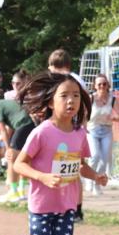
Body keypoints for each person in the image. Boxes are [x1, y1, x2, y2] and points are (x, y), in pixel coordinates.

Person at [2, 71, 106, 235]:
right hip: (41, 206)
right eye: (64, 96)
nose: (71, 101)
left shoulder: (80, 133)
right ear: (50, 102)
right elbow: (18, 165)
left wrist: (96, 176)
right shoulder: (42, 133)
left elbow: (79, 164)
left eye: (76, 96)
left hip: (67, 206)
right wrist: (43, 177)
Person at [48, 49, 88, 219]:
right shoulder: (76, 79)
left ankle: (73, 209)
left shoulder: (62, 81)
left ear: (55, 66)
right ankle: (73, 209)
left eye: (50, 67)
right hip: (72, 128)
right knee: (70, 168)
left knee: (71, 169)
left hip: (67, 128)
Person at [0, 73, 32, 203]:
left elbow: (3, 130)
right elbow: (10, 127)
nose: (15, 86)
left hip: (24, 125)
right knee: (22, 158)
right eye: (13, 83)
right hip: (30, 125)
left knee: (12, 159)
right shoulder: (9, 102)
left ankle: (13, 192)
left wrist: (8, 147)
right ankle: (20, 190)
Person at [85, 73, 119, 196]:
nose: (102, 86)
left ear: (108, 85)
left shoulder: (112, 99)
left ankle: (97, 184)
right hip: (92, 130)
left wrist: (114, 117)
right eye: (99, 84)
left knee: (104, 159)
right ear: (95, 86)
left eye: (104, 84)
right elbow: (83, 114)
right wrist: (82, 128)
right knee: (95, 156)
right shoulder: (91, 98)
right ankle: (89, 179)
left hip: (107, 130)